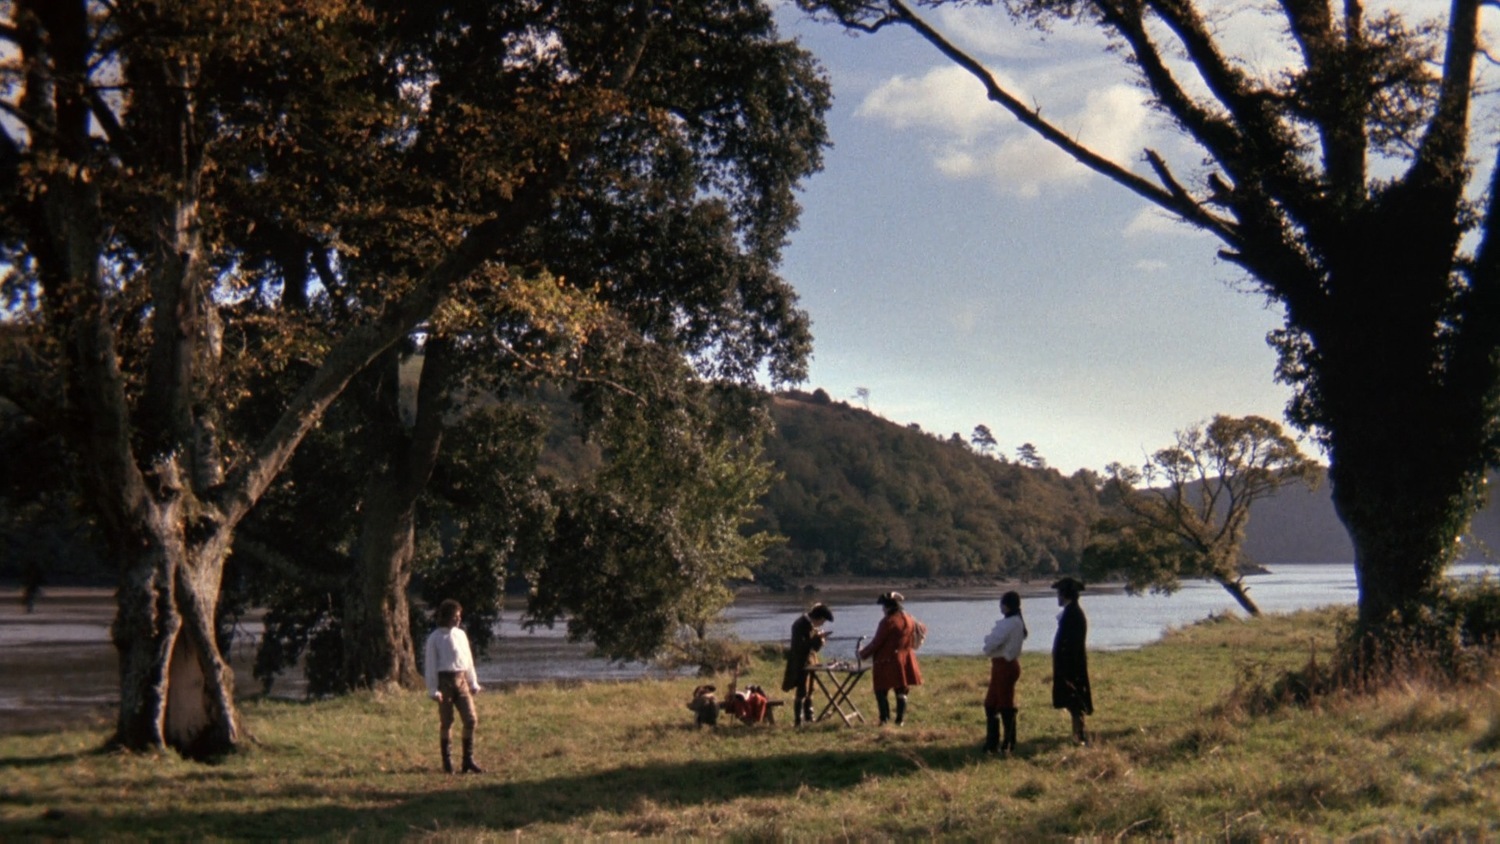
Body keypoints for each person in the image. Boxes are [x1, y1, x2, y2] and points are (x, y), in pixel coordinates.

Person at [424, 599, 484, 774]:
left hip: (461, 680)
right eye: (455, 616)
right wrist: (433, 690)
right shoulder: (435, 638)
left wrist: (473, 682)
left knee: (471, 719)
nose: (458, 619)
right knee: (447, 721)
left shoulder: (460, 635)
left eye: (459, 616)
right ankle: (447, 762)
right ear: (446, 616)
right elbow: (430, 666)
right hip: (444, 682)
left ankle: (468, 760)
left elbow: (468, 660)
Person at [858, 591, 923, 726]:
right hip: (905, 658)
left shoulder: (887, 622)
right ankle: (900, 720)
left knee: (881, 690)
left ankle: (884, 720)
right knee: (901, 690)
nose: (882, 609)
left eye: (884, 606)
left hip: (886, 661)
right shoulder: (909, 618)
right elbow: (922, 629)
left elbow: (877, 642)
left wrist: (862, 653)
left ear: (888, 607)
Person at [982, 590, 1027, 755]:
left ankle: (1006, 743)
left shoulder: (1008, 623)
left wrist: (988, 643)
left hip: (1004, 665)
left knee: (1004, 705)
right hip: (1005, 665)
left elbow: (992, 642)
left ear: (1006, 606)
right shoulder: (1016, 622)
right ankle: (995, 743)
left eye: (1001, 603)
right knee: (992, 704)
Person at [1051, 577, 1093, 745]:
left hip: (1071, 665)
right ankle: (1078, 735)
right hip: (1069, 664)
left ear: (1065, 595)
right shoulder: (1071, 612)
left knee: (1075, 701)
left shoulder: (1073, 614)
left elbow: (1070, 644)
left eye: (1059, 594)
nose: (1058, 598)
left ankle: (1079, 736)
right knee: (1073, 701)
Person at [781, 602, 834, 726]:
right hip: (800, 662)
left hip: (810, 661)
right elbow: (800, 647)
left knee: (810, 690)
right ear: (819, 618)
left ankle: (809, 718)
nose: (822, 624)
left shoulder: (810, 624)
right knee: (801, 691)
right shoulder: (799, 625)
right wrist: (816, 639)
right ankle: (798, 721)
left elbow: (813, 648)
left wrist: (820, 640)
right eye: (823, 621)